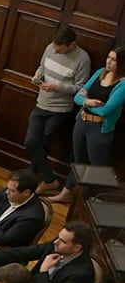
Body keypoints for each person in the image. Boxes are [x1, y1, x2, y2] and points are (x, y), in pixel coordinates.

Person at [49, 45, 124, 204]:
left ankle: (101, 200)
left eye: (114, 60)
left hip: (99, 129)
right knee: (78, 160)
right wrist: (88, 102)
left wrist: (86, 103)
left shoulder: (123, 84)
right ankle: (66, 194)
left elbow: (106, 110)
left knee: (99, 168)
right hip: (82, 122)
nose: (109, 62)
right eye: (108, 57)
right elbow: (78, 97)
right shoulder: (100, 73)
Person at [23, 27, 91, 194]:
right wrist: (37, 75)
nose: (56, 51)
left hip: (61, 109)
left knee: (44, 145)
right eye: (55, 48)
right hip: (41, 103)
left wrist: (57, 87)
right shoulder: (50, 47)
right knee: (31, 142)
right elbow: (42, 67)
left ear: (72, 45)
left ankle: (37, 178)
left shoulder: (83, 59)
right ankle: (49, 180)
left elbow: (80, 88)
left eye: (60, 49)